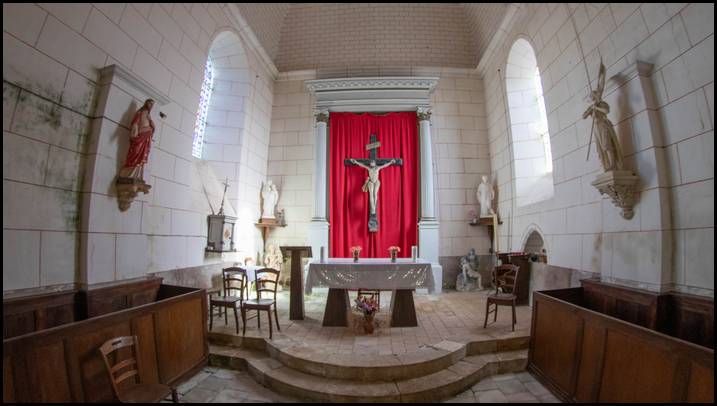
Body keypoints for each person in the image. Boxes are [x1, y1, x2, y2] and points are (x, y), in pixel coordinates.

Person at [582, 61, 624, 172]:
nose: (593, 98)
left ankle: (613, 164)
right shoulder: (592, 107)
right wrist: (590, 110)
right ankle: (607, 165)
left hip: (603, 124)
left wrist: (597, 108)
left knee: (607, 145)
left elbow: (606, 111)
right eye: (592, 97)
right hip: (596, 128)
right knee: (601, 148)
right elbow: (583, 116)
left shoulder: (601, 104)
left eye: (594, 96)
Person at [118, 99, 156, 182]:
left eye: (152, 104)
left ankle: (137, 175)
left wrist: (151, 127)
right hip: (139, 136)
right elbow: (135, 123)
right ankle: (127, 174)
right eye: (150, 103)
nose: (151, 106)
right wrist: (135, 133)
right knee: (135, 152)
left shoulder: (148, 115)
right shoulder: (140, 112)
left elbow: (152, 126)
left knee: (142, 154)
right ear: (146, 103)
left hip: (145, 137)